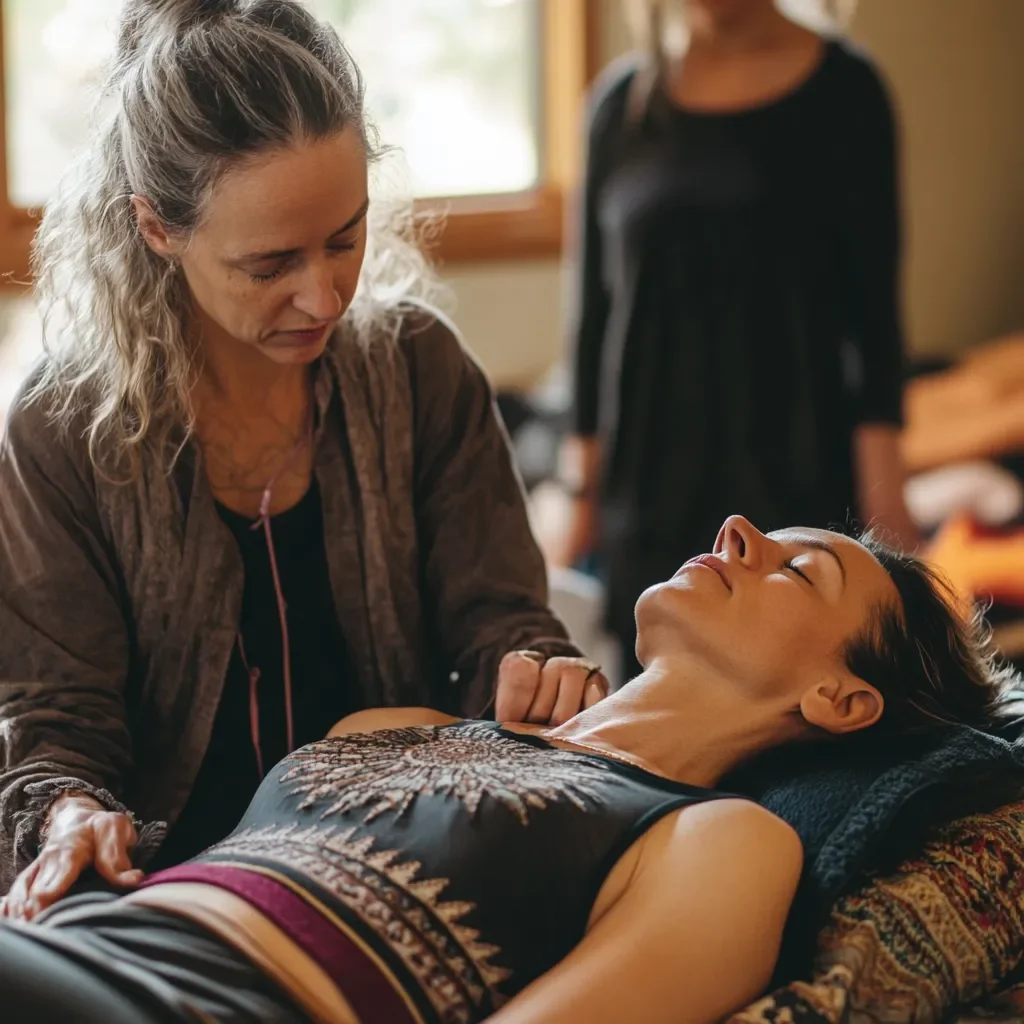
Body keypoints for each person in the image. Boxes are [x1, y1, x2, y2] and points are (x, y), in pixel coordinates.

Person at [0, 0, 609, 915]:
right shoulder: (63, 432)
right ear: (158, 229)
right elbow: (58, 727)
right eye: (269, 264)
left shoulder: (419, 371)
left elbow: (498, 622)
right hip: (172, 890)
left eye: (346, 237)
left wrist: (536, 670)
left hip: (402, 866)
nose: (322, 296)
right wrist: (71, 813)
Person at [0, 515, 1016, 1024]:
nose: (736, 530)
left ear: (842, 700)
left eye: (800, 569)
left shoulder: (717, 839)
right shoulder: (396, 724)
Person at [554, 0, 921, 676]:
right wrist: (579, 500)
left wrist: (887, 513)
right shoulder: (620, 107)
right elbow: (592, 321)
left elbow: (873, 324)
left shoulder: (847, 90)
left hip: (796, 494)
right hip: (650, 494)